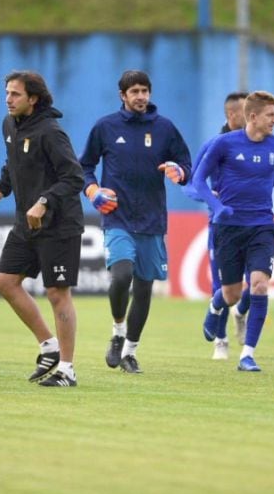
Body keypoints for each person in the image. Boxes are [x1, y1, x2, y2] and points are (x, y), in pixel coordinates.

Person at [79, 70, 192, 374]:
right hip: (117, 217)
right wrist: (93, 191)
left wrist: (179, 172)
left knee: (143, 289)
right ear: (123, 96)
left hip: (152, 220)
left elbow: (186, 164)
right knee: (121, 276)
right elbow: (84, 166)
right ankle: (117, 331)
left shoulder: (165, 128)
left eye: (145, 91)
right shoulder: (106, 127)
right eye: (134, 92)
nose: (140, 96)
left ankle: (130, 352)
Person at [0, 70, 86, 387]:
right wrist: (2, 187)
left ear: (33, 98)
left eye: (15, 94)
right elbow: (12, 159)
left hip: (58, 226)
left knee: (57, 293)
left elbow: (74, 177)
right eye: (7, 93)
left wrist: (44, 201)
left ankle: (67, 370)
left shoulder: (51, 132)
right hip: (25, 224)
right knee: (4, 282)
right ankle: (48, 345)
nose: (8, 99)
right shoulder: (9, 125)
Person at [193, 91, 274, 372]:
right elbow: (198, 180)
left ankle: (247, 354)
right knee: (232, 294)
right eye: (271, 115)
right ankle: (215, 307)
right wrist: (217, 206)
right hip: (228, 228)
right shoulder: (224, 144)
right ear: (253, 117)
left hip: (262, 226)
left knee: (260, 285)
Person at [185, 91, 250, 360]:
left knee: (257, 283)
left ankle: (242, 311)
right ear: (231, 115)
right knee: (222, 287)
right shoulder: (215, 145)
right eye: (246, 112)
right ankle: (221, 341)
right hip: (222, 226)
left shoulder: (261, 144)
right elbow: (191, 187)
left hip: (255, 224)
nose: (252, 118)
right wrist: (213, 199)